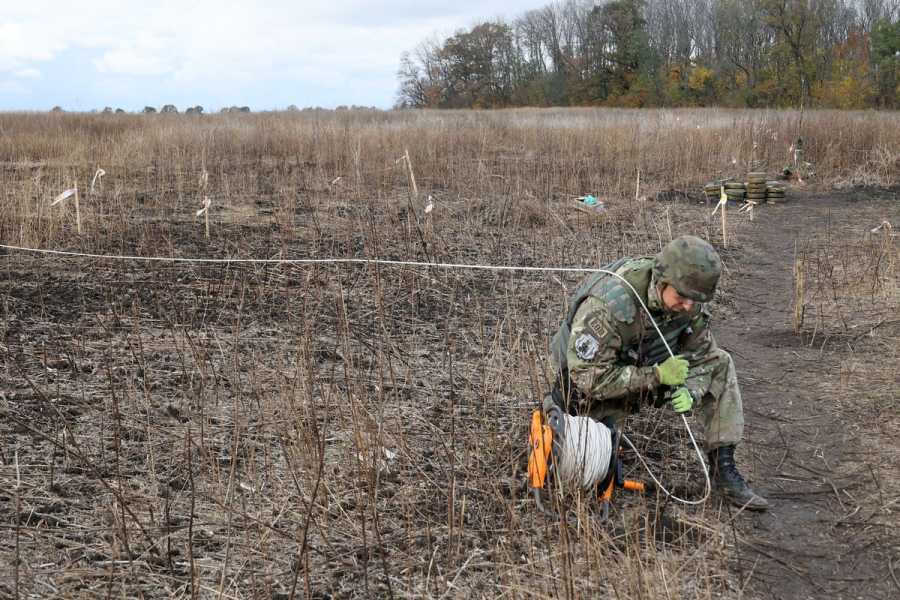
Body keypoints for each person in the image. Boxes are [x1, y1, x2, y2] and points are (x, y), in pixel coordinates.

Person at [547, 235, 768, 511]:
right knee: (585, 464)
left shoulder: (690, 301)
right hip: (586, 386)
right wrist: (658, 376)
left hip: (648, 370)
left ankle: (723, 469)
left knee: (721, 363)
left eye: (694, 300)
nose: (688, 306)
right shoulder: (611, 305)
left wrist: (692, 390)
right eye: (682, 297)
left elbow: (704, 356)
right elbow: (588, 377)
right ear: (661, 281)